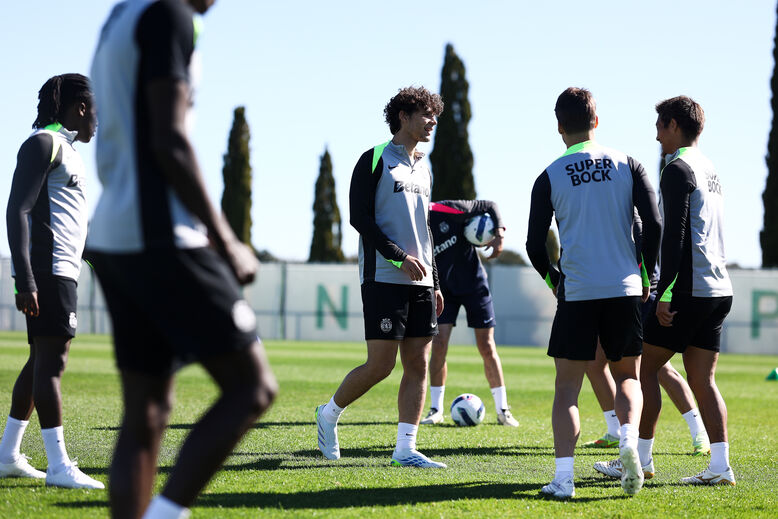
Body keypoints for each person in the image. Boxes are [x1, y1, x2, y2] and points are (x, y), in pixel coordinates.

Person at [89, 1, 277, 517]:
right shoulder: (167, 14)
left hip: (113, 234)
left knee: (147, 412)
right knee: (253, 387)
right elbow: (169, 140)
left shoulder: (124, 13)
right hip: (162, 236)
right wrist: (224, 238)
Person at [526, 87, 661, 498]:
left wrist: (555, 282)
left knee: (567, 389)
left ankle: (564, 480)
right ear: (596, 121)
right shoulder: (628, 163)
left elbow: (535, 244)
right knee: (627, 378)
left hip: (578, 291)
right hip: (624, 290)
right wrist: (646, 274)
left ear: (560, 126)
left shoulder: (549, 174)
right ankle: (627, 442)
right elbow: (654, 224)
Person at [315, 86, 446, 468]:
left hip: (421, 282)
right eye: (425, 114)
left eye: (434, 114)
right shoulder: (373, 159)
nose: (432, 121)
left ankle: (405, 448)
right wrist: (398, 257)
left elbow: (425, 227)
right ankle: (329, 413)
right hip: (383, 276)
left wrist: (434, 280)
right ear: (403, 116)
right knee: (381, 365)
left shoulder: (425, 165)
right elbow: (360, 218)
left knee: (419, 364)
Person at [0, 74, 103, 490]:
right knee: (52, 364)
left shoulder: (69, 151)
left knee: (39, 361)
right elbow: (17, 211)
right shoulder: (44, 142)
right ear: (80, 108)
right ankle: (59, 465)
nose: (98, 120)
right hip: (47, 272)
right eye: (95, 111)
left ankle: (8, 454)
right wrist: (24, 278)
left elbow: (71, 225)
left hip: (60, 271)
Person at [636, 96, 734, 486]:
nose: (656, 134)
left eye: (659, 125)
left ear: (674, 125)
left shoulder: (676, 168)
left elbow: (673, 236)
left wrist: (665, 292)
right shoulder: (710, 167)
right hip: (718, 287)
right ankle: (720, 466)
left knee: (644, 366)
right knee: (701, 379)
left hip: (688, 289)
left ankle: (640, 460)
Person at [585, 229, 709, 456]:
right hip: (612, 297)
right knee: (594, 362)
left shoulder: (633, 212)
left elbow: (646, 249)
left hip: (641, 296)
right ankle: (616, 431)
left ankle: (699, 431)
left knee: (659, 369)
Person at [420, 200, 518, 427]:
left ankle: (503, 410)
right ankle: (436, 410)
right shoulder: (410, 225)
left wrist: (499, 234)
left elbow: (491, 205)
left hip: (475, 287)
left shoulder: (447, 209)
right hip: (443, 291)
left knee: (487, 346)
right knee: (440, 343)